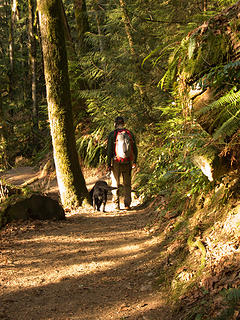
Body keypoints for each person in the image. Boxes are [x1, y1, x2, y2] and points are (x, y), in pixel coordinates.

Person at [107, 116, 138, 210]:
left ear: (115, 124)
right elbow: (135, 149)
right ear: (123, 123)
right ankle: (127, 204)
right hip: (128, 161)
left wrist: (108, 163)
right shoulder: (129, 133)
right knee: (127, 184)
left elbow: (109, 150)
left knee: (115, 183)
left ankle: (116, 204)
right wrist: (135, 161)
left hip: (116, 162)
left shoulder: (112, 134)